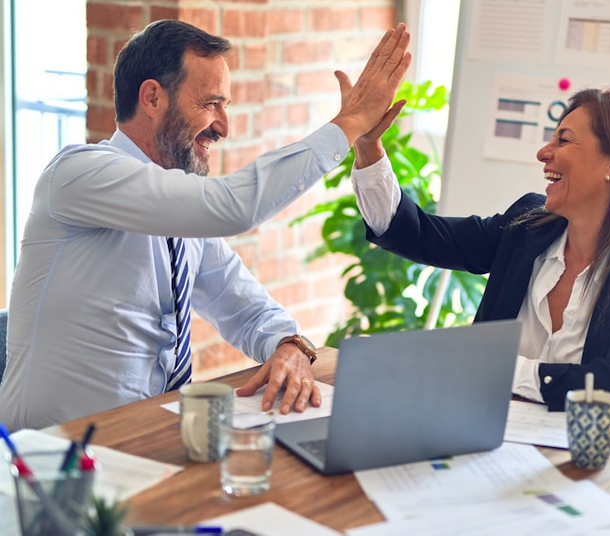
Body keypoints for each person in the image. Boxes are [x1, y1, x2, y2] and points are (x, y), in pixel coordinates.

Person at [0, 19, 411, 431]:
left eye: (225, 106)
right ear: (152, 98)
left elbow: (245, 306)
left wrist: (290, 344)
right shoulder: (80, 174)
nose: (223, 127)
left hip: (144, 443)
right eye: (210, 103)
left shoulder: (180, 216)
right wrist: (351, 123)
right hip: (48, 460)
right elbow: (235, 206)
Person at [349, 87, 610, 421]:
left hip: (595, 465)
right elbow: (417, 234)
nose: (543, 153)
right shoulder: (526, 228)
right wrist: (368, 146)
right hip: (486, 437)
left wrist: (494, 367)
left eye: (563, 140)